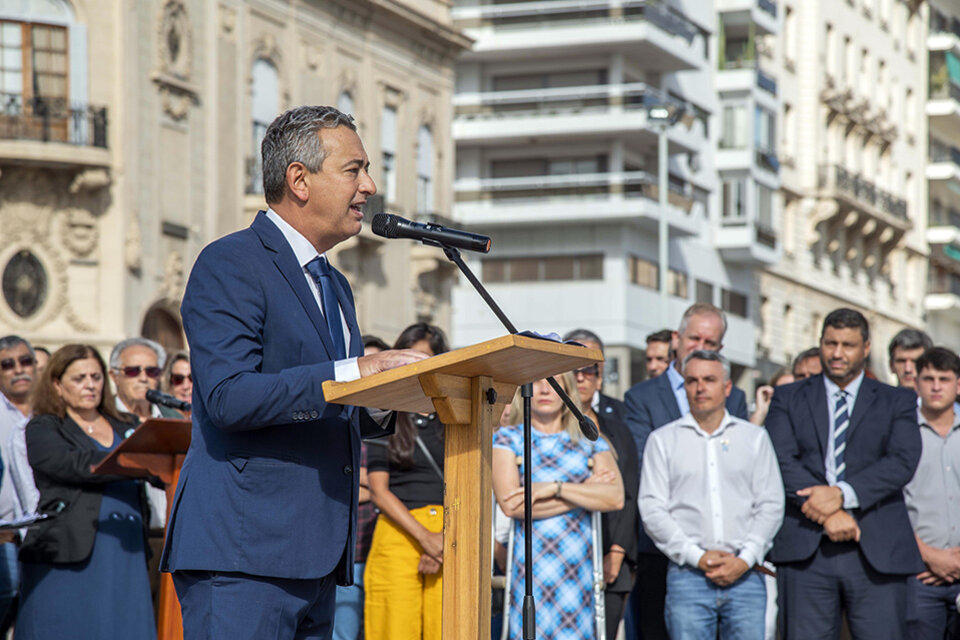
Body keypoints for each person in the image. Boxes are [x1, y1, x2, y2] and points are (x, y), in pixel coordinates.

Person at [160, 105, 427, 639]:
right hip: (244, 556)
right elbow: (229, 397)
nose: (370, 186)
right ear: (299, 180)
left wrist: (385, 393)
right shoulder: (231, 262)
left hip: (319, 557)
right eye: (354, 170)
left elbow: (341, 400)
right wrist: (356, 372)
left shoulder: (335, 284)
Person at [765, 308, 923, 639]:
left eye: (848, 345)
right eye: (830, 343)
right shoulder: (789, 397)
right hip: (806, 547)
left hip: (876, 548)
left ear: (866, 348)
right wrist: (829, 515)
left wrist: (841, 495)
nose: (837, 354)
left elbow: (902, 461)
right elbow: (779, 459)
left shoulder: (898, 401)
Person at [623, 302, 749, 640]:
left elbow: (740, 468)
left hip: (724, 551)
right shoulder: (641, 397)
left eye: (711, 344)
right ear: (676, 339)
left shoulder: (735, 397)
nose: (701, 348)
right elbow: (643, 461)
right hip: (662, 546)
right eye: (695, 339)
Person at [639, 350, 784, 640]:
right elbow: (652, 509)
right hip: (688, 577)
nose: (700, 387)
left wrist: (744, 558)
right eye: (692, 380)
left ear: (727, 387)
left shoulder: (753, 438)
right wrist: (697, 556)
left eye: (709, 379)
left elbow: (771, 503)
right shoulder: (663, 440)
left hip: (747, 574)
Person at [16, 344, 154, 639]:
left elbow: (157, 465)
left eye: (96, 376)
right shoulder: (45, 426)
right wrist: (130, 461)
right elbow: (67, 464)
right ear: (57, 384)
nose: (90, 385)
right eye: (79, 378)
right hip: (69, 550)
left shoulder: (127, 424)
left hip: (125, 548)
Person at [493, 371, 624, 640]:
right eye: (537, 382)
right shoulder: (508, 438)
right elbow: (512, 506)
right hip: (530, 570)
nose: (544, 390)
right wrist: (584, 493)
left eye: (553, 382)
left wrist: (554, 487)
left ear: (567, 391)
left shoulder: (590, 440)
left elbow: (614, 497)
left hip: (577, 571)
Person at [364, 324, 448, 640]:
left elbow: (468, 481)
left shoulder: (454, 414)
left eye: (424, 359)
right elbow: (378, 490)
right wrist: (425, 538)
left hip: (449, 533)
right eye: (406, 359)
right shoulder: (384, 413)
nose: (415, 368)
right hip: (398, 533)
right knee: (393, 629)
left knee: (449, 628)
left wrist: (441, 539)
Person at [563, 328, 639, 638]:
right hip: (564, 554)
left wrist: (617, 553)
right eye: (573, 370)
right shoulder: (545, 424)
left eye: (589, 370)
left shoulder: (617, 426)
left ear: (599, 375)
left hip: (611, 554)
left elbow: (630, 492)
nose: (581, 378)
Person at [333, 334, 390, 640]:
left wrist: (365, 480)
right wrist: (375, 484)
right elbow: (336, 481)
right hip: (348, 555)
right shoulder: (338, 418)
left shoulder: (391, 421)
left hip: (384, 551)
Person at [904, 347, 960, 639]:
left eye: (944, 378)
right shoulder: (900, 434)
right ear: (916, 383)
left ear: (958, 384)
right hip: (918, 576)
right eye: (928, 378)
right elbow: (890, 504)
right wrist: (928, 555)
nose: (936, 386)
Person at [0, 335, 35, 631]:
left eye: (25, 361)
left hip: (41, 533)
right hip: (4, 536)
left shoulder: (51, 412)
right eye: (7, 364)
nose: (18, 369)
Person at [161, 351, 192, 420]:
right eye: (178, 379)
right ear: (169, 384)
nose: (185, 386)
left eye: (192, 378)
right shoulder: (160, 418)